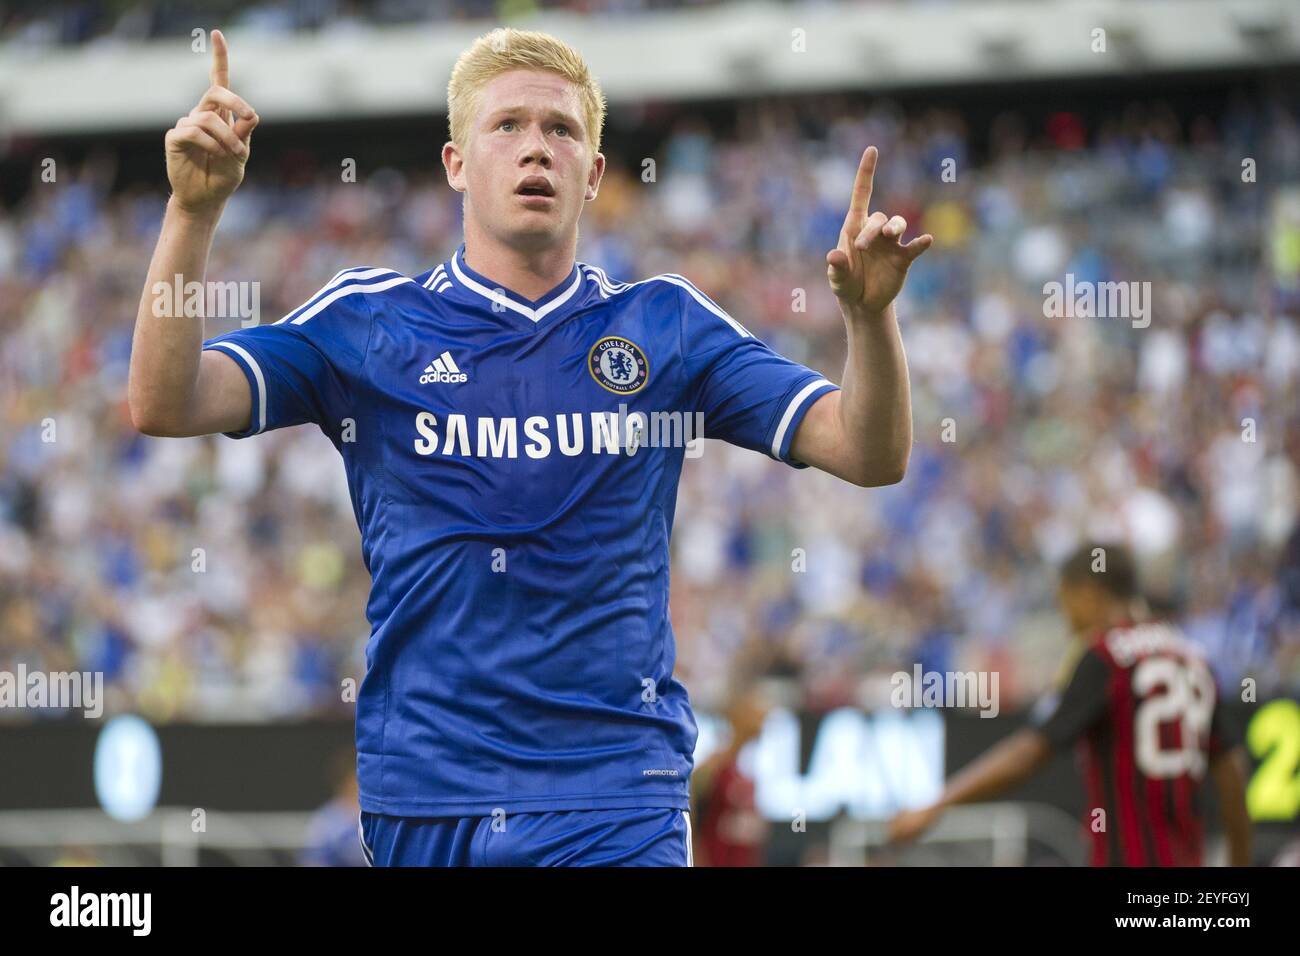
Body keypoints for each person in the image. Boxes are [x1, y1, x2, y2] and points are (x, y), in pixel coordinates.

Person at [128, 27, 931, 866]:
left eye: (563, 131)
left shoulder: (664, 325)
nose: (536, 149)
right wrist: (192, 212)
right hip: (427, 792)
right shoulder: (368, 321)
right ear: (455, 163)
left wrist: (870, 321)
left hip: (615, 793)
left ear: (596, 176)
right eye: (506, 126)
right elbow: (164, 399)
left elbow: (867, 454)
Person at [888, 542, 1253, 866]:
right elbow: (1232, 774)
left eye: (1066, 603)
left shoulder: (1106, 658)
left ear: (1089, 594)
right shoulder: (1193, 658)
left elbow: (1029, 754)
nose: (1067, 621)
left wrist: (936, 805)